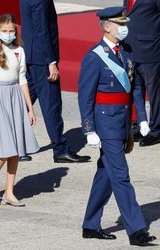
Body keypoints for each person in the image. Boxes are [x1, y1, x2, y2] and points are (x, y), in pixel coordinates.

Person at [78, 7, 157, 246]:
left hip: (122, 121)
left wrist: (142, 118)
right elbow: (86, 96)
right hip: (105, 124)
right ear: (106, 26)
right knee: (121, 175)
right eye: (119, 24)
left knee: (106, 173)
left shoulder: (127, 51)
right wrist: (89, 129)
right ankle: (136, 230)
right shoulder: (94, 56)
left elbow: (134, 88)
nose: (124, 28)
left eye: (125, 23)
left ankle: (90, 225)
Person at [0, 14, 39, 207]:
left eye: (12, 31)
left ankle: (10, 191)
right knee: (6, 148)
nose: (9, 34)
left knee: (16, 149)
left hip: (15, 98)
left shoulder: (19, 50)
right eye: (5, 31)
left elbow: (22, 80)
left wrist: (30, 108)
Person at [20, 0, 90, 163]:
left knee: (23, 101)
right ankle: (60, 149)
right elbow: (42, 30)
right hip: (41, 58)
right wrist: (51, 62)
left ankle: (11, 144)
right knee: (52, 105)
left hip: (30, 55)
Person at [123, 0, 160, 146]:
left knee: (154, 93)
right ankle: (141, 125)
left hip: (150, 50)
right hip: (131, 48)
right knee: (135, 89)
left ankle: (156, 129)